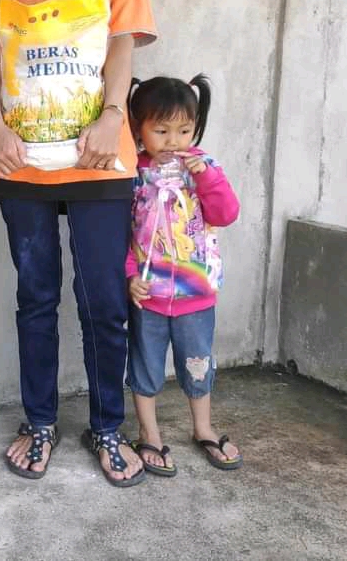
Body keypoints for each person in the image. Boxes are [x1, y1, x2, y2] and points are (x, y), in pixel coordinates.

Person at [0, 0, 156, 486]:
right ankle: (40, 422)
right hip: (20, 158)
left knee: (105, 299)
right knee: (36, 295)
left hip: (99, 158)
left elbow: (122, 44)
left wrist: (113, 117)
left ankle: (107, 426)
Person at [125, 74, 243, 476]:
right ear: (138, 127)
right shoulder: (133, 173)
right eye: (161, 131)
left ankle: (203, 428)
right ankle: (149, 433)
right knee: (145, 365)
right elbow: (120, 233)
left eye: (184, 130)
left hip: (196, 294)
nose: (173, 141)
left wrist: (206, 176)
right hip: (150, 294)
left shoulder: (204, 168)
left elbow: (225, 214)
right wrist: (130, 276)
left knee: (198, 362)